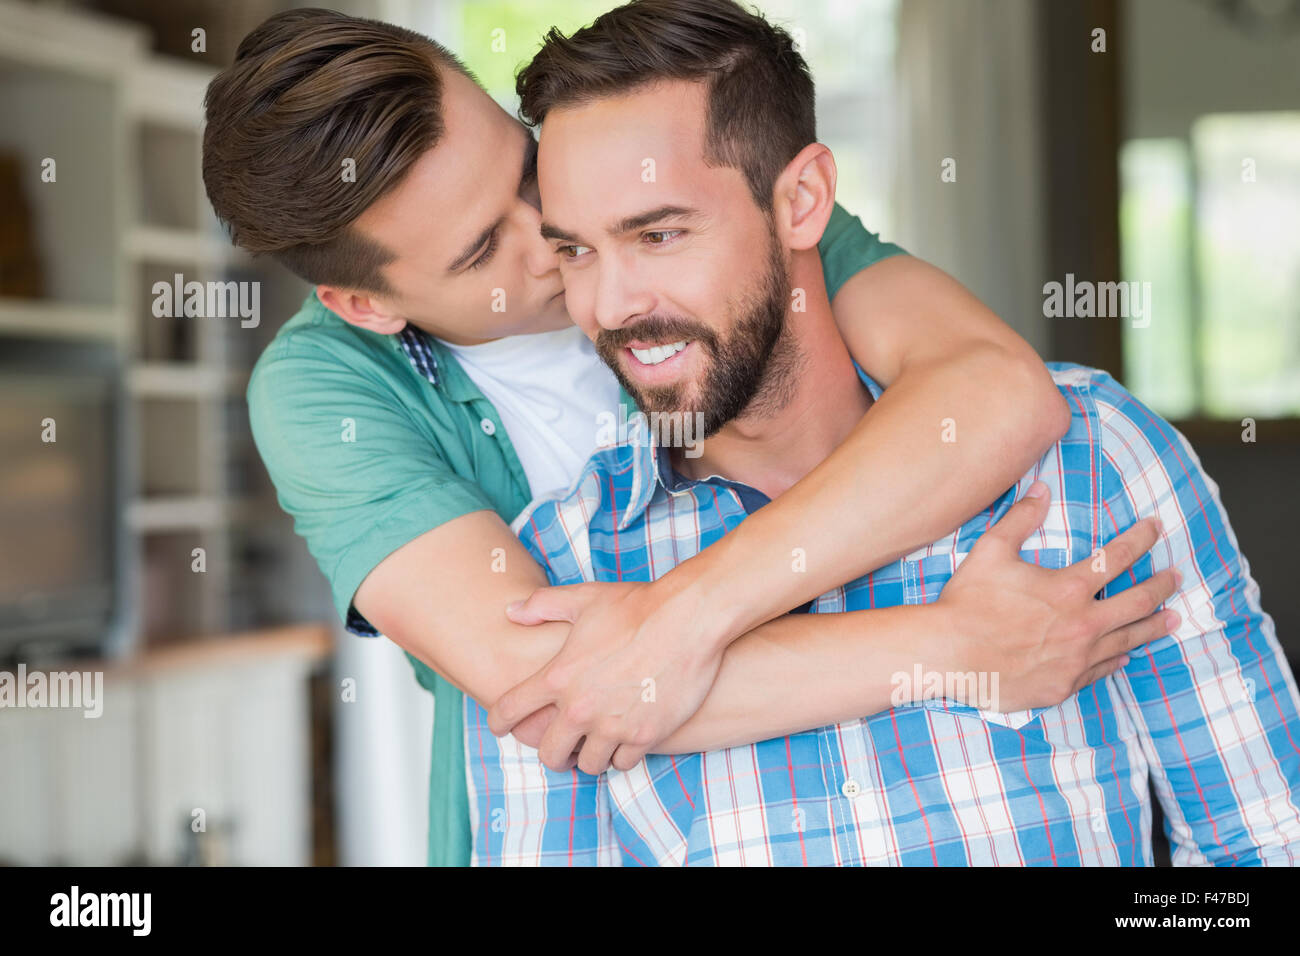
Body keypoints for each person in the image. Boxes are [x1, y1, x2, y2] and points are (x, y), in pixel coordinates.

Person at [203, 7, 1175, 866]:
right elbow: (563, 693)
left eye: (521, 164)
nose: (554, 232)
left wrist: (682, 618)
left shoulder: (695, 209)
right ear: (364, 303)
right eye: (481, 248)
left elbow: (999, 392)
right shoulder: (325, 387)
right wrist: (956, 645)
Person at [469, 0, 1300, 865]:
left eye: (661, 234)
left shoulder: (1092, 466)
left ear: (802, 201)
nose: (610, 306)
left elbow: (1265, 850)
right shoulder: (560, 577)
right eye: (576, 251)